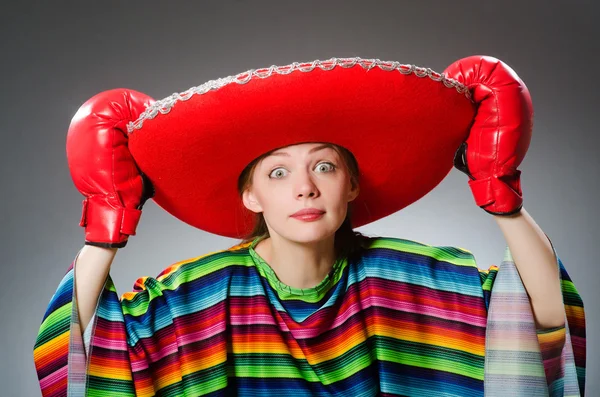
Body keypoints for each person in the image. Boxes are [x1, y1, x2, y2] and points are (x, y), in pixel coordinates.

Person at [33, 56, 586, 396]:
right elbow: (70, 347)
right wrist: (105, 227)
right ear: (251, 195)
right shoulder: (197, 292)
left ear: (351, 185)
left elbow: (540, 317)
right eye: (278, 172)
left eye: (324, 166)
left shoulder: (405, 274)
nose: (305, 187)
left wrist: (501, 194)